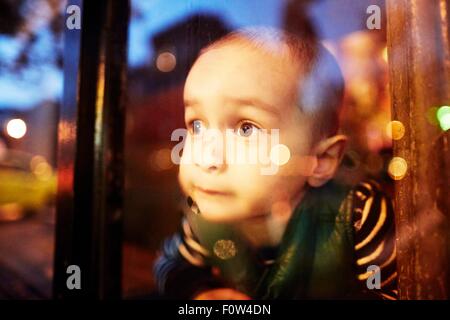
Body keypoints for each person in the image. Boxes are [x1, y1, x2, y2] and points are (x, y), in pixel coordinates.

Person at [153, 27, 397, 300]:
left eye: (246, 128)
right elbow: (169, 264)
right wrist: (201, 292)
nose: (206, 158)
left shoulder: (357, 214)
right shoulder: (203, 218)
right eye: (197, 125)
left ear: (321, 160)